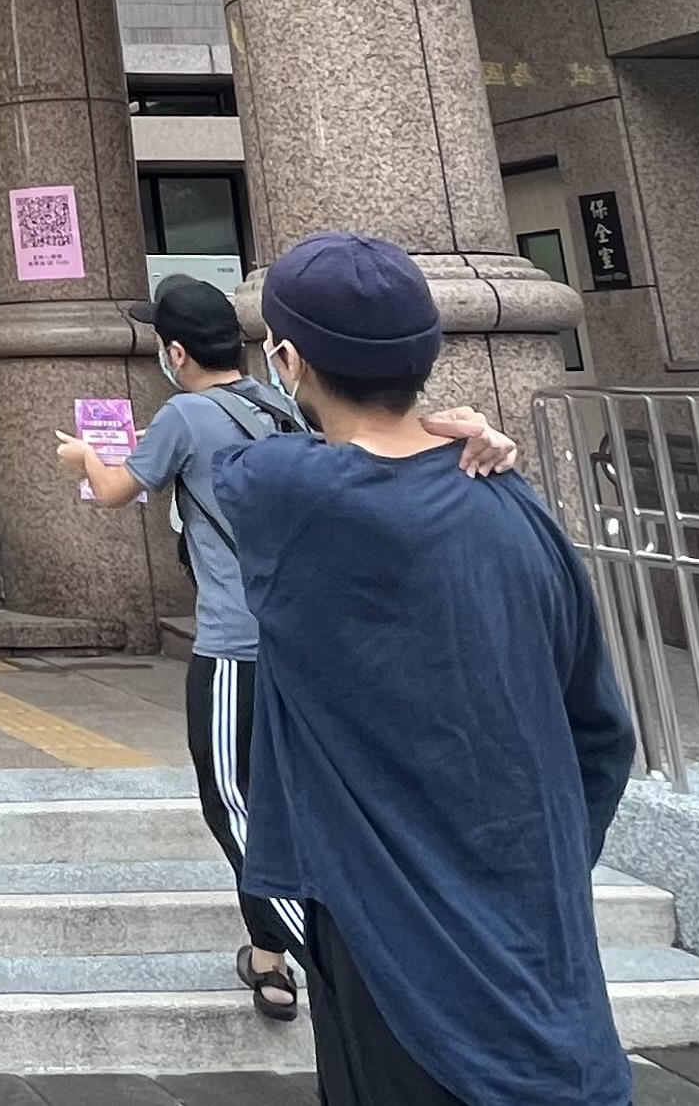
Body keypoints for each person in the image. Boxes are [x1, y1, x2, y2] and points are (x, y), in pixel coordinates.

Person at [213, 231, 631, 1106]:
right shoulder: (517, 508)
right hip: (541, 953)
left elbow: (245, 461)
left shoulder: (294, 498)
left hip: (395, 944)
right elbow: (600, 731)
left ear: (288, 360)